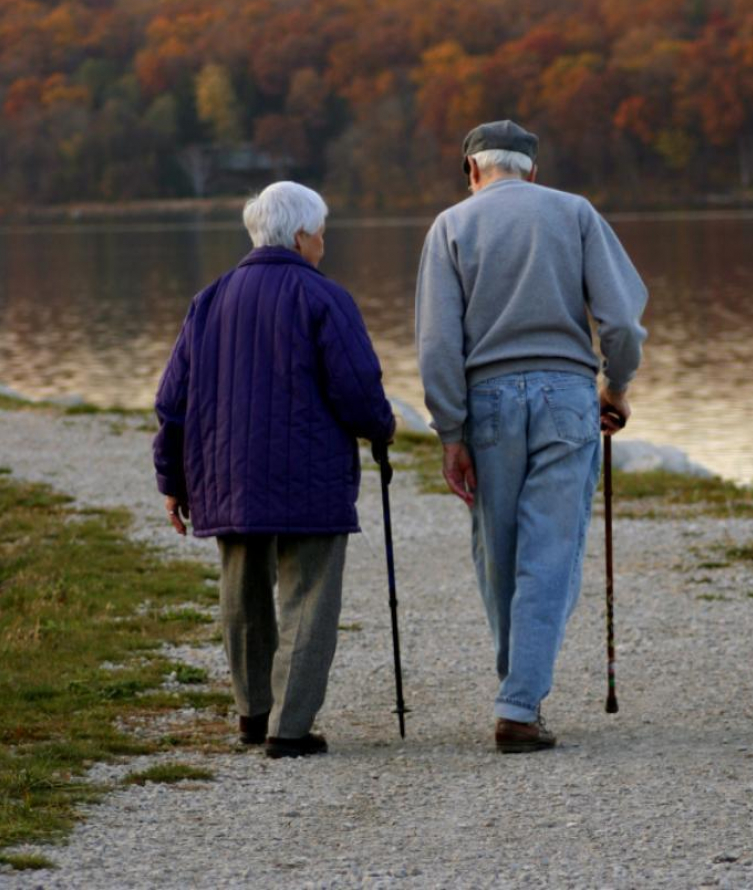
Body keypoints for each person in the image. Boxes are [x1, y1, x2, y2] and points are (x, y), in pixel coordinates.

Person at [415, 120, 647, 754]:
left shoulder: (450, 227)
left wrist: (450, 432)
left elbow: (437, 345)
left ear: (472, 172)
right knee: (550, 553)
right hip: (567, 399)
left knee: (499, 555)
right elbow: (622, 320)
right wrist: (616, 386)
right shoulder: (574, 214)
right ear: (532, 171)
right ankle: (519, 703)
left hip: (485, 402)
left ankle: (517, 690)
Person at [153, 181, 395, 759]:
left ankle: (252, 713)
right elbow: (358, 389)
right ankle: (290, 728)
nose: (324, 243)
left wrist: (173, 481)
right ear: (301, 235)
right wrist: (381, 429)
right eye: (321, 233)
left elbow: (173, 402)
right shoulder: (324, 298)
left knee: (243, 593)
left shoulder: (209, 300)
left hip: (226, 474)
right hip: (309, 473)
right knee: (309, 595)